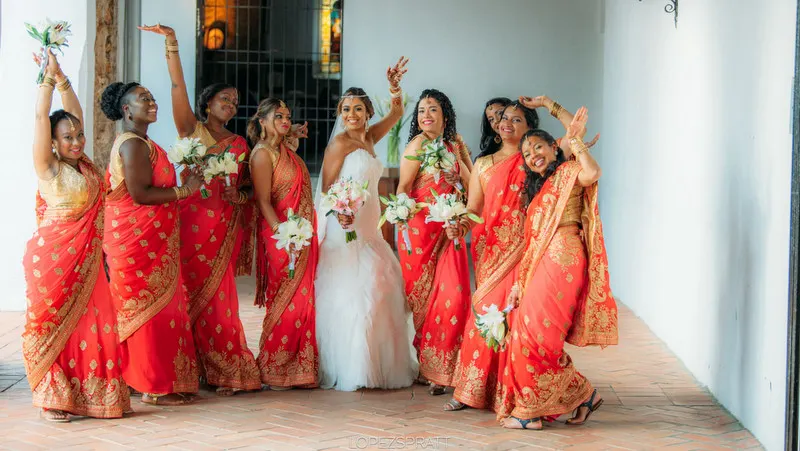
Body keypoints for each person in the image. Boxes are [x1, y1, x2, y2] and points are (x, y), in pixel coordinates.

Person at [139, 23, 261, 395]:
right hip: (188, 225)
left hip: (222, 230)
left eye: (235, 102)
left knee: (219, 300)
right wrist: (172, 44)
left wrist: (238, 197)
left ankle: (224, 368)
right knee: (184, 296)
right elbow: (178, 87)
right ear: (208, 103)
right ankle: (186, 368)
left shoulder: (240, 143)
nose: (231, 105)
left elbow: (249, 189)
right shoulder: (192, 130)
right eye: (225, 99)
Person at [22, 49, 131, 422]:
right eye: (67, 137)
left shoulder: (83, 165)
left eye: (79, 135)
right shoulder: (48, 166)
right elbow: (42, 117)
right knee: (51, 325)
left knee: (92, 324)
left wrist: (62, 75)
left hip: (89, 260)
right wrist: (46, 82)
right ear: (52, 142)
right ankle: (52, 396)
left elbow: (75, 114)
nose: (77, 141)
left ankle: (88, 393)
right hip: (54, 259)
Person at [497, 108, 618, 429]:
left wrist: (575, 140)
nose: (532, 155)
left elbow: (593, 172)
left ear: (554, 148)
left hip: (564, 257)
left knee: (536, 334)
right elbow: (532, 241)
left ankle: (531, 413)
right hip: (541, 263)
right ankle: (582, 395)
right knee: (525, 330)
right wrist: (519, 283)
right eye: (527, 153)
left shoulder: (569, 172)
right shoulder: (542, 187)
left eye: (538, 147)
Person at [314, 57, 419, 391]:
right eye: (346, 109)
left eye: (358, 109)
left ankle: (380, 363)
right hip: (345, 228)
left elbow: (398, 112)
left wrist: (394, 87)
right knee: (354, 293)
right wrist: (339, 213)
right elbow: (326, 189)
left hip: (370, 228)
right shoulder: (339, 144)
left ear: (368, 113)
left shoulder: (370, 138)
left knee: (380, 287)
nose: (351, 115)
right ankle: (354, 367)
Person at [101, 80, 202, 405]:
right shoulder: (132, 144)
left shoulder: (143, 142)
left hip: (152, 241)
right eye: (144, 99)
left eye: (152, 97)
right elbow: (140, 194)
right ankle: (152, 385)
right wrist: (186, 190)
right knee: (146, 311)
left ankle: (138, 378)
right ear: (127, 110)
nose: (152, 102)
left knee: (157, 309)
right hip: (135, 243)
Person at [396, 89, 471, 395]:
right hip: (419, 231)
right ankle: (429, 367)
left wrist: (458, 177)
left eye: (433, 109)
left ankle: (447, 366)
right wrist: (400, 214)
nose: (426, 115)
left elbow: (473, 184)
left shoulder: (456, 144)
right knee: (424, 302)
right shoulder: (417, 144)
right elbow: (403, 186)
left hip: (450, 228)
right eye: (421, 110)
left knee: (454, 295)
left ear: (445, 116)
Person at [248, 98, 318, 390]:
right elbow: (263, 200)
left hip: (302, 234)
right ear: (262, 121)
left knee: (304, 298)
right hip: (281, 236)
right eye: (278, 116)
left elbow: (289, 136)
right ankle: (275, 367)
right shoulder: (262, 155)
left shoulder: (284, 148)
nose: (285, 120)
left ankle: (301, 367)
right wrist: (283, 234)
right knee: (284, 297)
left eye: (288, 115)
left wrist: (293, 132)